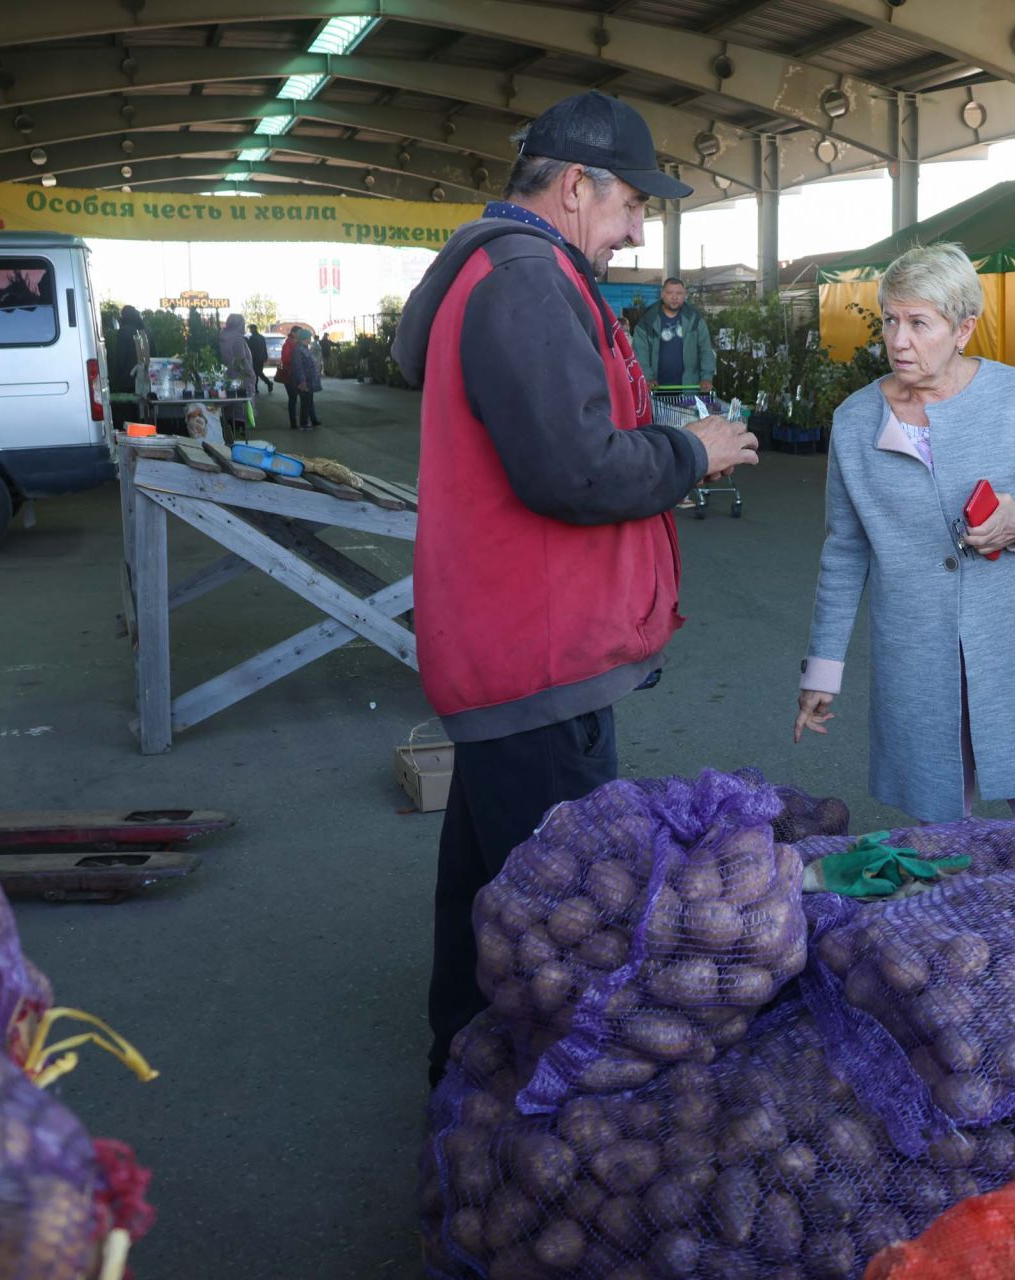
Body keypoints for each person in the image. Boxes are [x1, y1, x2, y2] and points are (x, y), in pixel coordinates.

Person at [391, 89, 759, 1085]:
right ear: (571, 185)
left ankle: (461, 1063)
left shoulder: (516, 273)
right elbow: (576, 471)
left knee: (491, 877)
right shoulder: (524, 283)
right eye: (632, 201)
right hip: (537, 649)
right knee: (558, 905)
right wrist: (694, 450)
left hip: (514, 647)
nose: (640, 227)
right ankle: (529, 1105)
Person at [794, 242, 1015, 823]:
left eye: (919, 323)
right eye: (890, 321)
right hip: (916, 648)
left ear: (963, 329)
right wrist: (823, 667)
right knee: (942, 831)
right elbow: (845, 550)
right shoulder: (856, 420)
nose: (898, 340)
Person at [631, 276, 717, 395]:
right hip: (656, 390)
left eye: (679, 293)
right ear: (662, 294)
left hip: (689, 389)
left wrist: (706, 377)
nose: (674, 297)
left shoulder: (695, 319)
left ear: (684, 295)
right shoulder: (647, 320)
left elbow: (706, 350)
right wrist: (647, 378)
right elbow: (640, 353)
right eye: (670, 292)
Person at [217, 314, 258, 440]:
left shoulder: (222, 336)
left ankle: (231, 438)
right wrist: (251, 374)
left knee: (229, 412)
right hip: (241, 380)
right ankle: (239, 440)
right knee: (240, 412)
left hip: (226, 378)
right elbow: (242, 360)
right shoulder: (238, 339)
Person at [112, 305, 149, 402]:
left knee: (130, 411)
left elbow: (121, 357)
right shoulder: (146, 331)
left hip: (128, 379)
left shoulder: (124, 331)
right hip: (147, 378)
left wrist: (115, 376)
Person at [289, 325, 322, 429]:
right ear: (304, 338)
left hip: (309, 381)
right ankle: (304, 424)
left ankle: (307, 422)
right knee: (305, 402)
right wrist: (302, 381)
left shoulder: (303, 348)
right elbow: (298, 367)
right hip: (304, 381)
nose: (310, 339)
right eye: (309, 338)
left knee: (308, 402)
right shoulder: (298, 350)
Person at [278, 329, 302, 428]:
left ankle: (298, 421)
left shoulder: (296, 344)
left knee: (296, 398)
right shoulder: (288, 344)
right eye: (298, 333)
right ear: (293, 333)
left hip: (297, 374)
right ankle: (293, 422)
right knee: (293, 398)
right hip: (290, 374)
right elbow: (286, 359)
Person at [245, 322, 273, 393]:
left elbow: (250, 349)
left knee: (256, 373)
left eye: (250, 329)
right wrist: (265, 356)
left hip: (255, 358)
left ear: (253, 329)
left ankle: (265, 384)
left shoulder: (252, 338)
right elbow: (264, 348)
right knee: (258, 373)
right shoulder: (261, 337)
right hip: (261, 358)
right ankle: (266, 384)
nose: (250, 330)